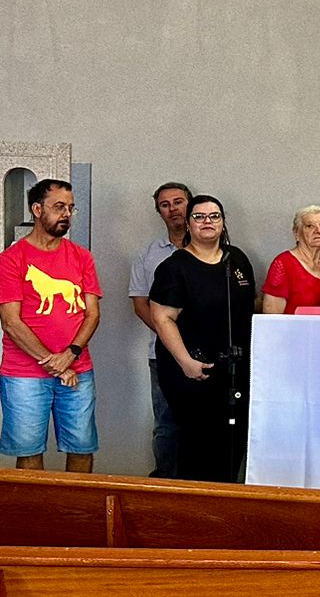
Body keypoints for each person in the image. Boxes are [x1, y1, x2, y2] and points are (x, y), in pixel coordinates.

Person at [149, 195, 258, 482]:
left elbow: (249, 306)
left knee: (233, 440)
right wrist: (186, 362)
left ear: (223, 223)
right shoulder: (175, 267)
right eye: (199, 217)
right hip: (194, 372)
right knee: (200, 446)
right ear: (188, 224)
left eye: (214, 216)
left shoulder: (237, 260)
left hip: (234, 372)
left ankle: (224, 505)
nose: (207, 222)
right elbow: (162, 318)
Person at [0, 179, 101, 472]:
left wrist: (69, 355)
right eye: (58, 207)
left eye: (70, 208)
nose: (66, 214)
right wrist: (56, 365)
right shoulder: (11, 259)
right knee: (29, 453)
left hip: (77, 370)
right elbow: (11, 322)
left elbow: (92, 314)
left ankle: (78, 516)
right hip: (24, 375)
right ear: (37, 209)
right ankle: (35, 519)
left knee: (82, 449)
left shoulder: (82, 257)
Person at [129, 181, 189, 477]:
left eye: (178, 202)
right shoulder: (148, 255)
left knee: (205, 421)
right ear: (159, 212)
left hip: (208, 352)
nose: (173, 209)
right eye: (165, 205)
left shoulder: (220, 251)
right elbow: (141, 304)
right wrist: (171, 338)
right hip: (162, 355)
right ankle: (165, 482)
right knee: (166, 422)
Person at [262, 205, 320, 314]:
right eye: (309, 226)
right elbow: (272, 317)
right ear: (296, 233)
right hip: (292, 330)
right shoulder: (283, 264)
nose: (318, 231)